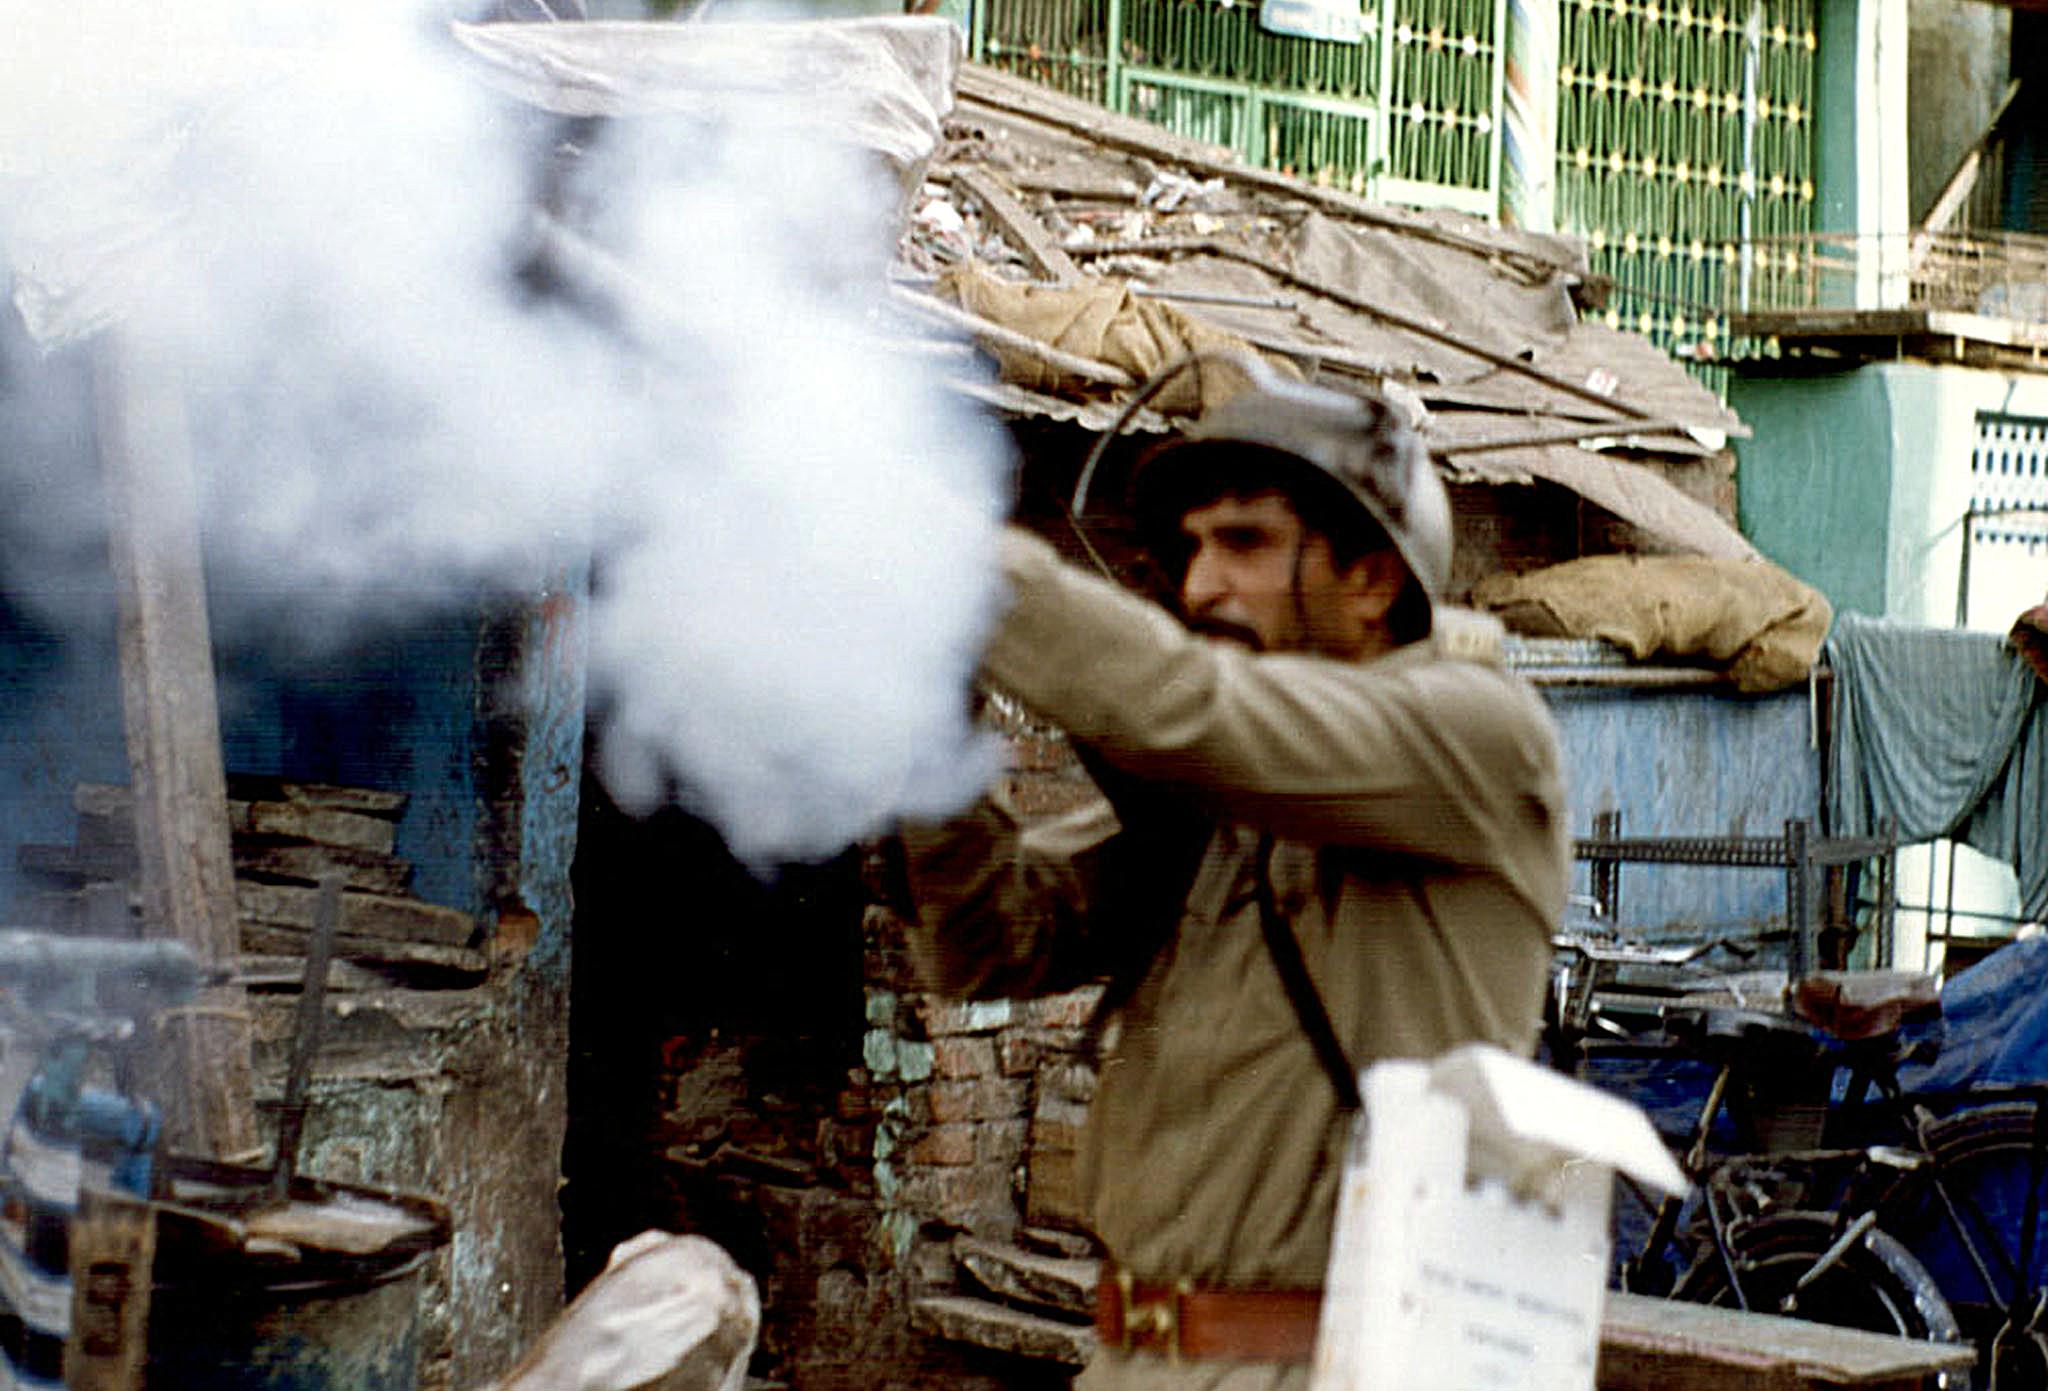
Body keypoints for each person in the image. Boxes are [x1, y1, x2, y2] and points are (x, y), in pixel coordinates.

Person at [900, 364, 1570, 1391]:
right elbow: (991, 943)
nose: (1202, 583)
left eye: (1245, 542)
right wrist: (926, 730)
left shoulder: (1478, 734)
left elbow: (1183, 705)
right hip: (1135, 1353)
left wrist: (932, 549)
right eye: (1191, 548)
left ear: (1370, 577)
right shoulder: (1214, 802)